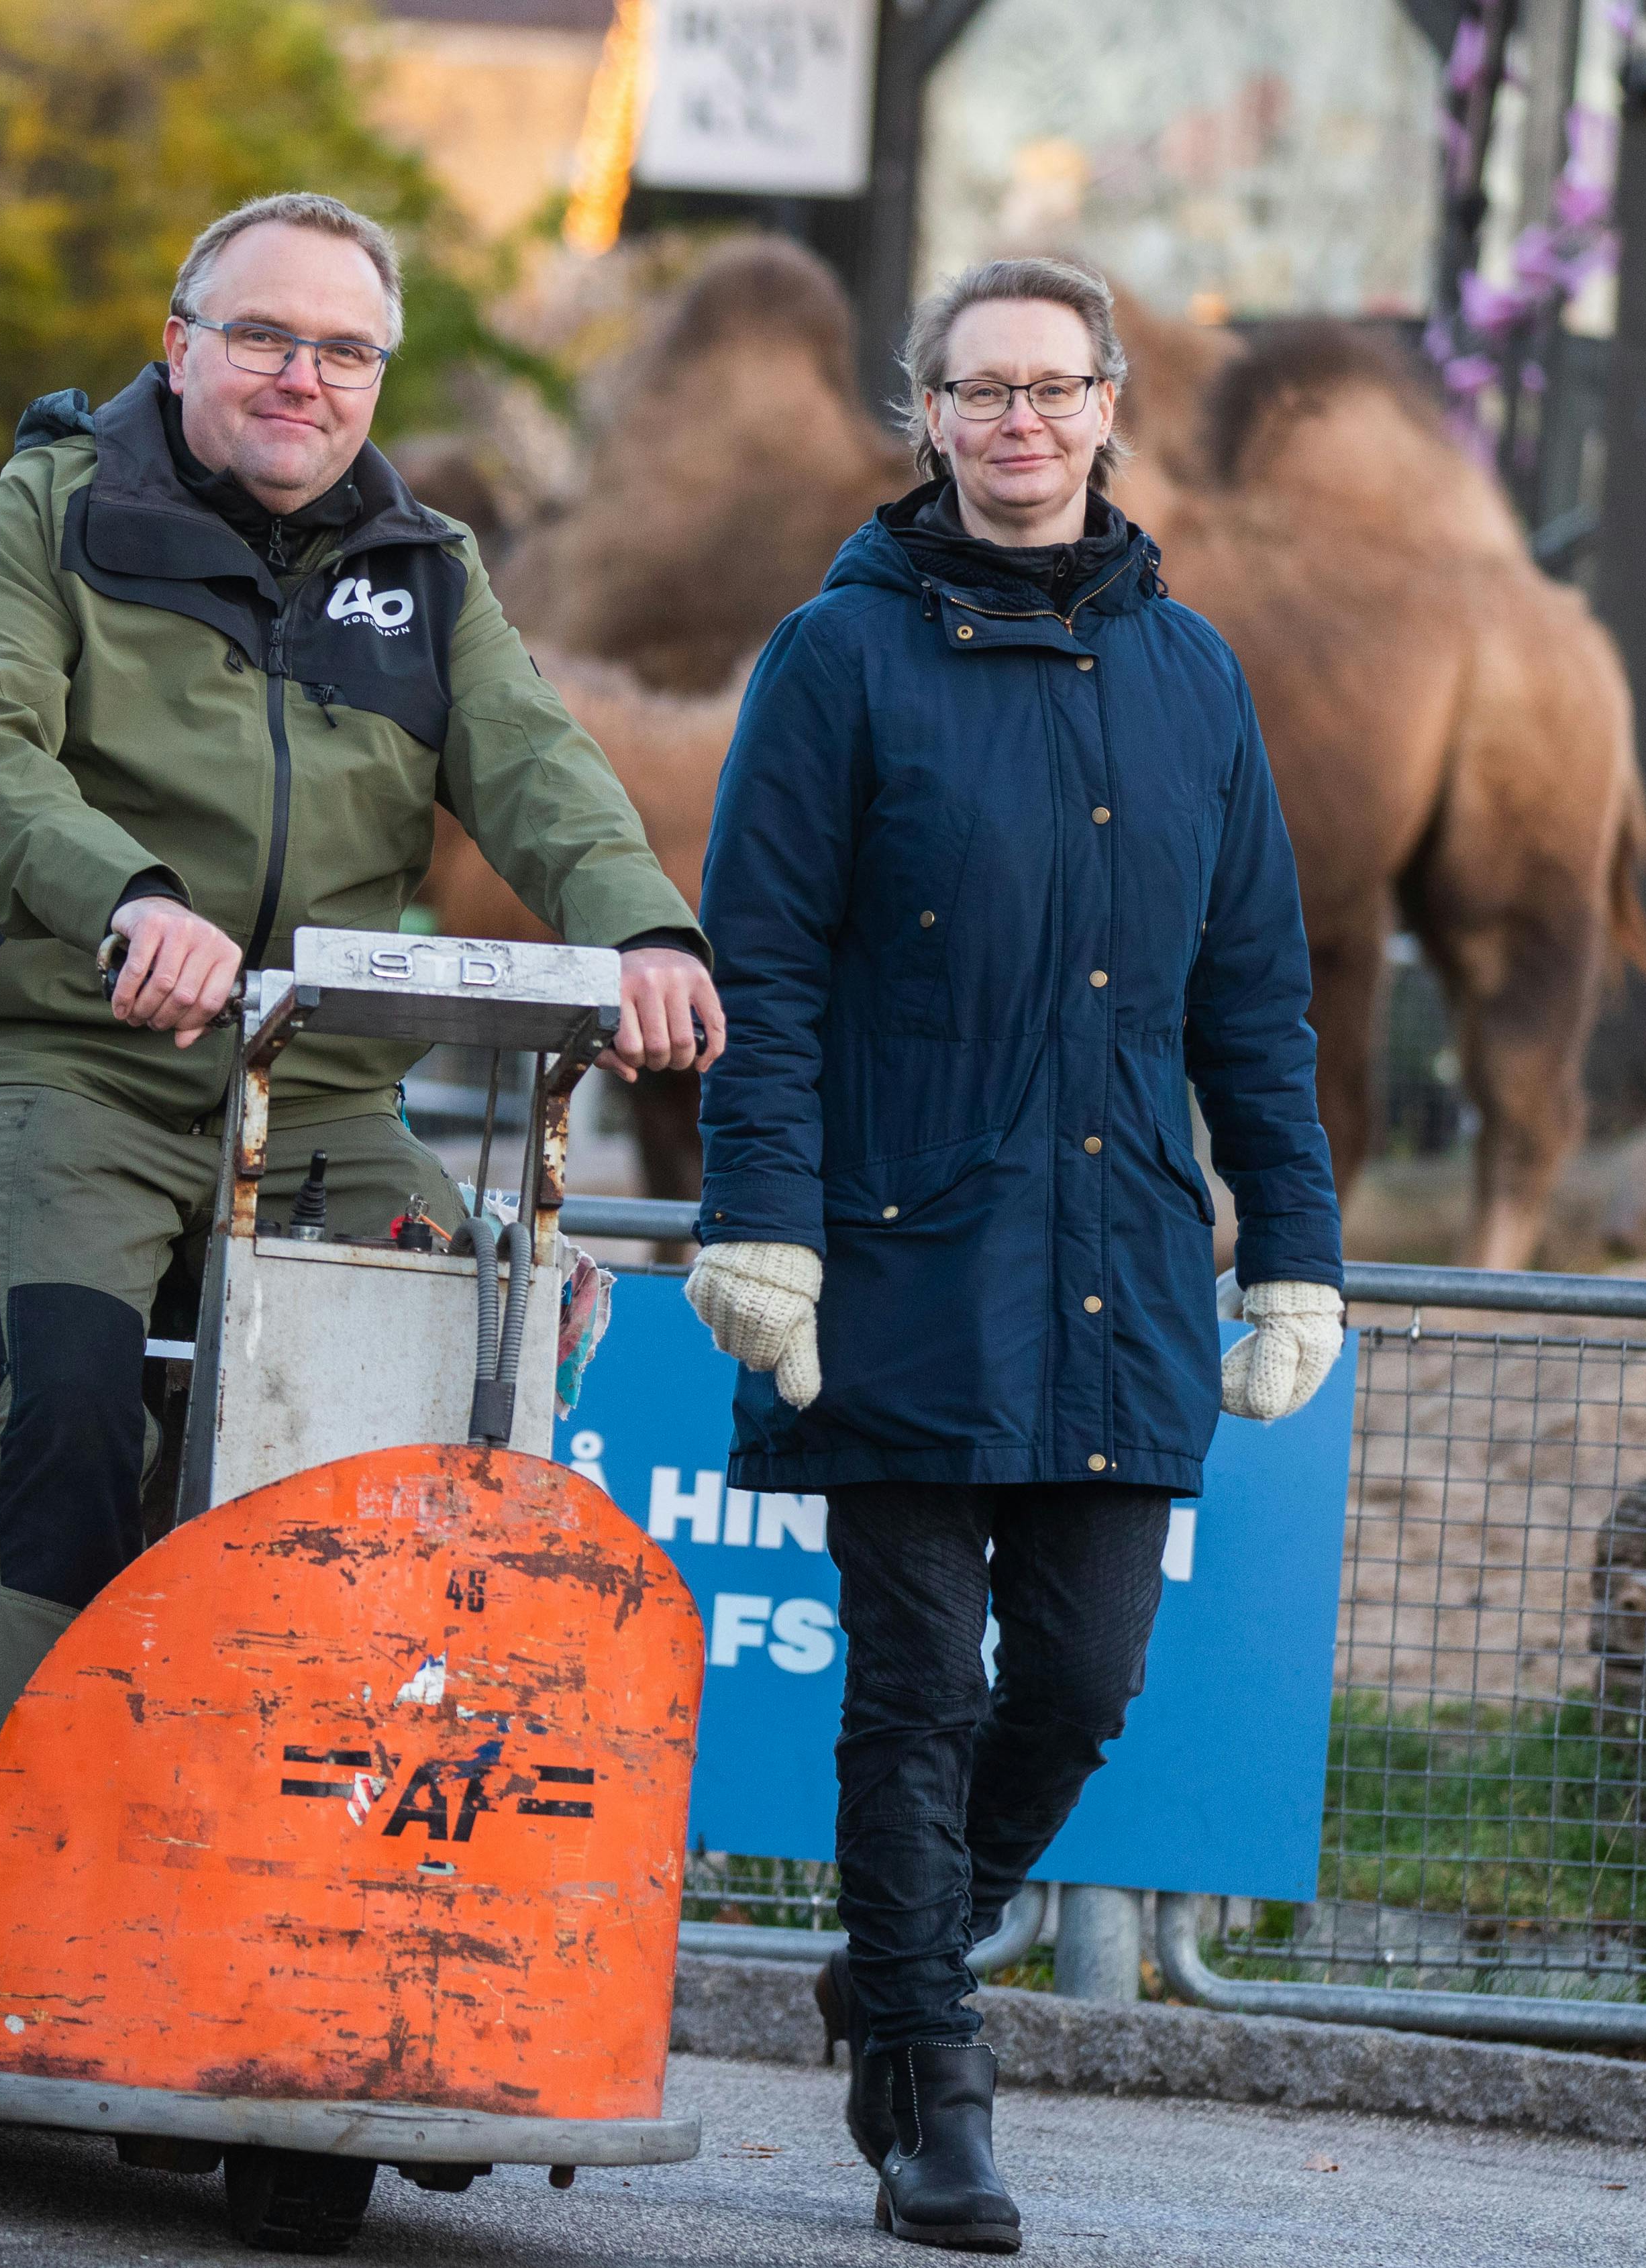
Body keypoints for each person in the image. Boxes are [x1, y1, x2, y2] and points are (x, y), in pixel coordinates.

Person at [0, 191, 725, 1834]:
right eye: (262, 335)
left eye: (343, 351)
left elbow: (537, 767)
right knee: (71, 1417)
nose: (301, 377)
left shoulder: (426, 566)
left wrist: (639, 928)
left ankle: (342, 1875)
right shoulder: (50, 512)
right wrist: (124, 896)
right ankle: (19, 1869)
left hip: (321, 1096)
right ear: (178, 346)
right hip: (69, 1066)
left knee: (465, 1396)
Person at [683, 256, 1343, 2253]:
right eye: (980, 389)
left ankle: (892, 1964)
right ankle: (928, 2084)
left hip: (1121, 1250)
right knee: (909, 1689)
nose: (1019, 420)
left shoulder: (1192, 674)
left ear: (1108, 406)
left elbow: (1253, 999)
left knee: (1080, 1671)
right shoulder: (834, 657)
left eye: (1053, 386)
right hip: (899, 1244)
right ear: (929, 416)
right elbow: (763, 971)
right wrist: (760, 1219)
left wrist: (1293, 1245)